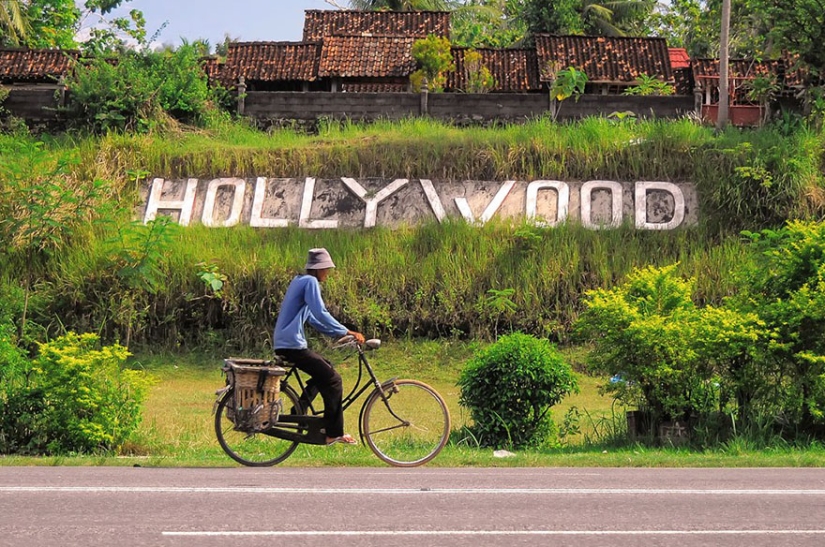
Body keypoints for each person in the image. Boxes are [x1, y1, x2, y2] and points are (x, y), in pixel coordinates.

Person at [273, 248, 365, 445]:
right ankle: (333, 432)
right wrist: (347, 331)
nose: (327, 273)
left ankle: (299, 411)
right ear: (318, 269)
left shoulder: (299, 281)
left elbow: (314, 320)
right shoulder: (310, 282)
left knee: (325, 368)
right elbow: (321, 312)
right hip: (292, 345)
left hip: (285, 343)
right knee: (334, 380)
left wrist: (339, 334)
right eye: (326, 269)